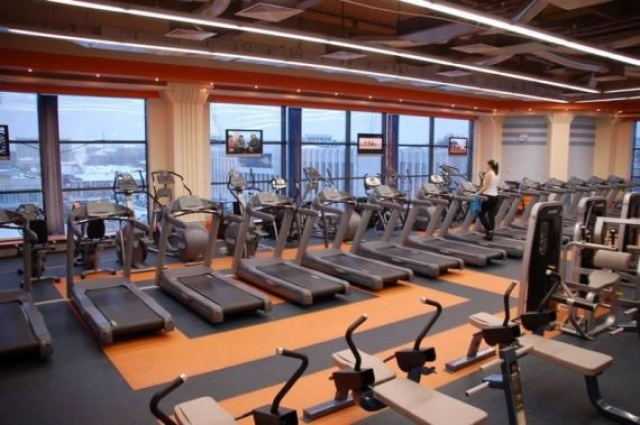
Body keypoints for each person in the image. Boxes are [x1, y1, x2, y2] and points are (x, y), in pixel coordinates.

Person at [476, 159, 500, 241]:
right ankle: (490, 235)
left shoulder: (489, 174)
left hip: (488, 197)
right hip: (495, 196)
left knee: (480, 213)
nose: (486, 166)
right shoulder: (496, 174)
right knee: (491, 216)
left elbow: (485, 187)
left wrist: (476, 194)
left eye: (487, 164)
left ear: (490, 165)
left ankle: (489, 230)